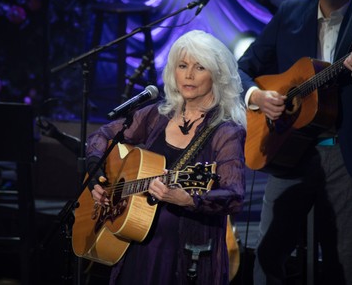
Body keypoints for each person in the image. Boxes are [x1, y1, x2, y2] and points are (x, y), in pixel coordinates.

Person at [237, 0, 352, 284]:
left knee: (340, 266)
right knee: (268, 256)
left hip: (345, 156)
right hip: (288, 150)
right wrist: (256, 95)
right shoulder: (289, 13)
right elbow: (243, 68)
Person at [86, 29, 247, 284]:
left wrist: (188, 199)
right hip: (136, 244)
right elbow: (101, 135)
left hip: (185, 254)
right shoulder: (155, 116)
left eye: (200, 67)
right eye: (182, 66)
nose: (189, 75)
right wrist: (98, 174)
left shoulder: (225, 132)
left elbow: (234, 196)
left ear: (217, 76)